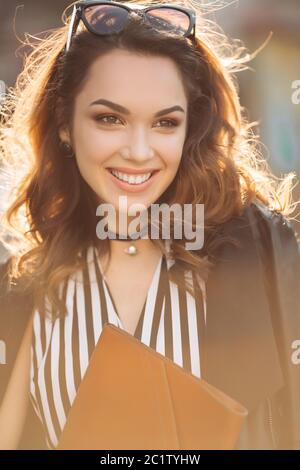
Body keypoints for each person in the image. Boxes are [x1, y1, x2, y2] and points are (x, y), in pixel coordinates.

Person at [0, 0, 299, 450]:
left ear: (189, 130)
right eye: (110, 119)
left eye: (165, 123)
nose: (139, 151)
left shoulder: (260, 257)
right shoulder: (30, 281)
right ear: (64, 123)